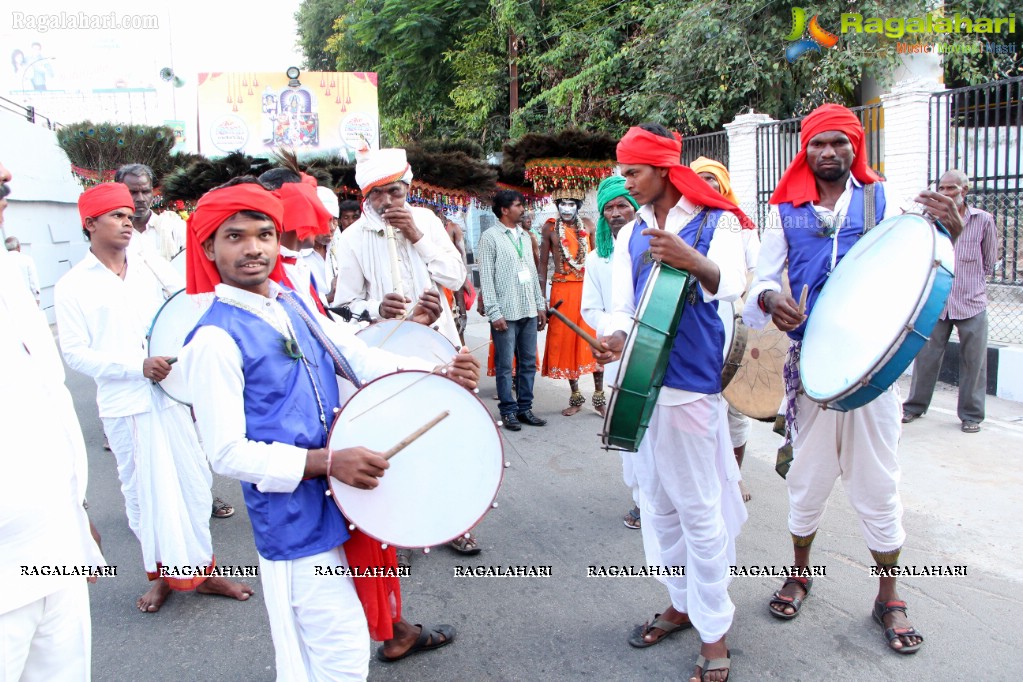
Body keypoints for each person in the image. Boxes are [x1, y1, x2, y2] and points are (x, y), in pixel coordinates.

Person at [180, 178, 480, 678]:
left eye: (263, 234)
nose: (253, 247)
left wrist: (438, 374)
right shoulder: (213, 339)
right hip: (294, 522)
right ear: (209, 246)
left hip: (344, 503)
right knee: (335, 655)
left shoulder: (290, 304)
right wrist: (327, 463)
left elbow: (355, 357)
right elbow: (226, 453)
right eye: (235, 236)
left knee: (338, 649)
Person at [743, 103, 963, 655]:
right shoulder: (785, 210)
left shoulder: (885, 200)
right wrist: (770, 297)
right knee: (806, 480)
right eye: (819, 144)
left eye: (840, 143)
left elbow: (920, 255)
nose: (829, 153)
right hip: (809, 370)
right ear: (806, 149)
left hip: (872, 371)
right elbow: (760, 282)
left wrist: (950, 231)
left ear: (854, 148)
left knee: (878, 486)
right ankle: (799, 573)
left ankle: (889, 596)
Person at [593, 124, 750, 682]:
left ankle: (715, 632)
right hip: (639, 380)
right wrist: (612, 338)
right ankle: (682, 601)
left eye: (633, 172)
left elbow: (732, 285)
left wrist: (691, 259)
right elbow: (618, 306)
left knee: (699, 508)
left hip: (688, 385)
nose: (626, 182)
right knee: (656, 503)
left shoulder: (716, 220)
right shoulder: (632, 232)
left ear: (662, 170)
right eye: (623, 171)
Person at [55, 183, 253, 613]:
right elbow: (74, 352)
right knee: (144, 494)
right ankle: (164, 576)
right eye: (116, 216)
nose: (128, 222)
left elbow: (188, 301)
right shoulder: (72, 286)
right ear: (89, 224)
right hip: (126, 404)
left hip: (171, 396)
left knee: (193, 485)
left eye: (129, 215)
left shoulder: (149, 266)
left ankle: (205, 570)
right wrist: (135, 365)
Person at [1, 160, 105, 682]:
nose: (5, 177)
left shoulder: (7, 277)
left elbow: (45, 402)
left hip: (54, 549)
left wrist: (75, 509)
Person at [332, 147, 467, 346]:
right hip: (385, 349)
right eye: (376, 192)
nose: (386, 201)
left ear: (407, 189)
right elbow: (344, 308)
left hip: (437, 341)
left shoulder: (426, 221)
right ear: (366, 195)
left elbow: (456, 278)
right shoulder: (352, 237)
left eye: (394, 191)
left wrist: (416, 236)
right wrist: (378, 309)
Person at [902, 169, 998, 433]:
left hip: (971, 301)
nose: (944, 194)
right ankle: (914, 407)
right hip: (937, 302)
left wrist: (971, 281)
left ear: (964, 191)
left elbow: (989, 261)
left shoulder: (982, 220)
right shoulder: (929, 221)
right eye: (941, 188)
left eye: (951, 189)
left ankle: (971, 415)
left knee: (974, 361)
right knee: (926, 357)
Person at [691, 156, 760, 503]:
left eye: (712, 179)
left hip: (737, 325)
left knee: (735, 408)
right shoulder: (684, 220)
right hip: (697, 327)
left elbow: (758, 273)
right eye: (699, 178)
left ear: (724, 184)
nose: (707, 184)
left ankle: (735, 479)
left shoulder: (740, 224)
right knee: (702, 405)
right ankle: (705, 479)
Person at [580, 176, 642, 528]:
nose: (616, 213)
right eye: (609, 208)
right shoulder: (596, 259)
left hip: (657, 351)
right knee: (628, 430)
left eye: (622, 205)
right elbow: (590, 310)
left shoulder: (654, 247)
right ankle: (640, 500)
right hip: (620, 355)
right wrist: (619, 330)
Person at [539, 190, 603, 416]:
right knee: (566, 342)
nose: (566, 208)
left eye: (571, 204)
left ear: (577, 205)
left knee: (594, 341)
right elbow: (542, 265)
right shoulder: (549, 228)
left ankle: (599, 398)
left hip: (587, 290)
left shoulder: (588, 224)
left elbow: (598, 261)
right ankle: (575, 397)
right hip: (562, 291)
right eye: (562, 204)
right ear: (557, 206)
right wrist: (541, 302)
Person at [115, 163, 186, 261]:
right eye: (133, 192)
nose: (140, 199)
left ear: (152, 192)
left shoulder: (173, 228)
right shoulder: (112, 233)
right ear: (119, 193)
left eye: (145, 192)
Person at [4, 235, 41, 305]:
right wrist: (37, 298)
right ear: (18, 246)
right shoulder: (27, 259)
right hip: (26, 299)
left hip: (8, 302)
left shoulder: (2, 261)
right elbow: (34, 281)